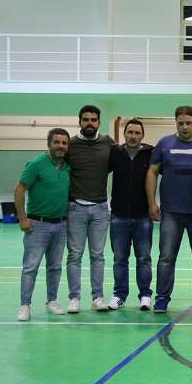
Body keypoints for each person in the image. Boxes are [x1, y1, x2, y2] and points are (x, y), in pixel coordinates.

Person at [146, 105, 192, 313]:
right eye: (180, 123)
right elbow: (152, 172)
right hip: (171, 213)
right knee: (166, 257)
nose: (184, 127)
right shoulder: (164, 143)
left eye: (188, 123)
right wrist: (152, 203)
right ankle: (162, 298)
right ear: (176, 123)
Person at [14, 129, 71, 321]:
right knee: (31, 267)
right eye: (57, 142)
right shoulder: (36, 164)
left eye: (64, 143)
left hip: (61, 225)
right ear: (49, 144)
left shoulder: (67, 167)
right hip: (37, 225)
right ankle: (25, 305)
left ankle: (52, 301)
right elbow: (19, 189)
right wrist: (22, 218)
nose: (61, 146)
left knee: (55, 267)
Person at [65, 104, 115, 313]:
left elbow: (118, 162)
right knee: (75, 255)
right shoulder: (71, 145)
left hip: (101, 208)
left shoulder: (108, 143)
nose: (89, 123)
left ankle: (97, 298)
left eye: (93, 120)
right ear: (79, 122)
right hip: (75, 207)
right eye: (85, 119)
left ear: (99, 123)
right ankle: (74, 298)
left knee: (98, 255)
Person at [108, 118, 154, 310]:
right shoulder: (115, 153)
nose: (133, 136)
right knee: (120, 258)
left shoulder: (150, 153)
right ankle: (120, 295)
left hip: (143, 216)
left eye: (137, 133)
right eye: (130, 132)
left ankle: (145, 294)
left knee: (143, 258)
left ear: (142, 136)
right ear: (124, 134)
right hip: (119, 216)